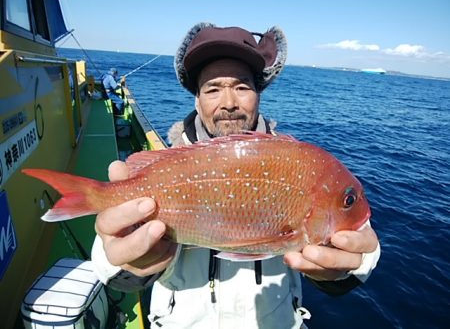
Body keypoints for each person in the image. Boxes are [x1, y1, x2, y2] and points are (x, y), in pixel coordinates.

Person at [92, 23, 381, 329]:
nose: (229, 103)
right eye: (213, 88)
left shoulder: (301, 168)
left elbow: (361, 242)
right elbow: (112, 267)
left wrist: (348, 265)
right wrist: (126, 261)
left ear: (259, 93)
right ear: (197, 99)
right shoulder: (165, 167)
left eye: (242, 86)